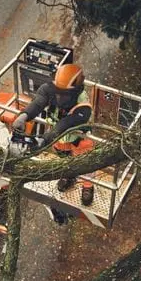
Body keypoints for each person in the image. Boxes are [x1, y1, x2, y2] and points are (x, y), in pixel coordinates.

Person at [13, 64, 94, 206]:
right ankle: (69, 177)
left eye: (64, 93)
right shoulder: (49, 89)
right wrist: (23, 116)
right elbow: (37, 103)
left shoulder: (83, 105)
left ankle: (88, 187)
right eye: (58, 91)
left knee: (85, 163)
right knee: (64, 160)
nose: (60, 97)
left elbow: (64, 125)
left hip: (78, 139)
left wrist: (44, 139)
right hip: (60, 140)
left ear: (75, 90)